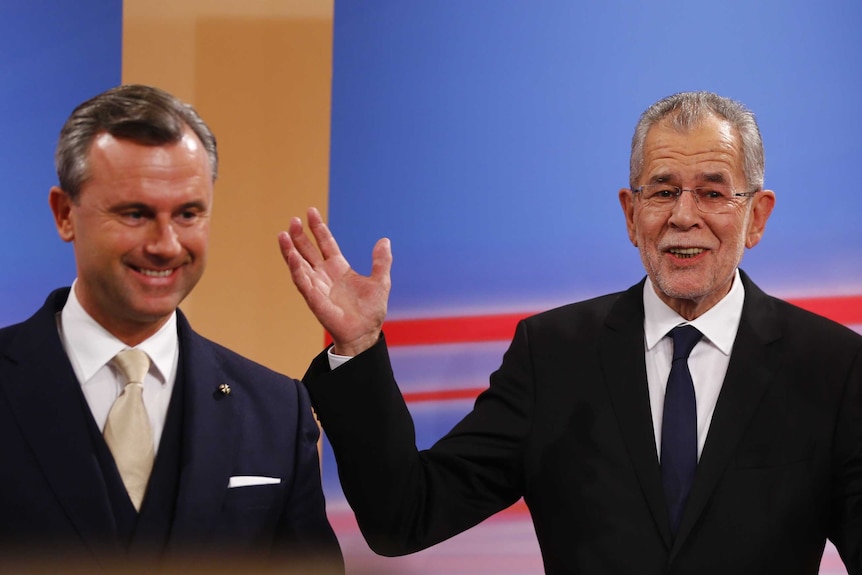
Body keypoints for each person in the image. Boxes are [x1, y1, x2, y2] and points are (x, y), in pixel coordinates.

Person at [278, 91, 862, 574]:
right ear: (631, 215)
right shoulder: (553, 356)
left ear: (756, 216)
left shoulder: (831, 367)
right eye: (662, 191)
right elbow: (403, 516)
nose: (685, 215)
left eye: (712, 191)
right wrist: (357, 347)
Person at [0, 84, 343, 574]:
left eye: (187, 214)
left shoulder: (276, 410)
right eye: (135, 214)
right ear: (64, 214)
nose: (165, 244)